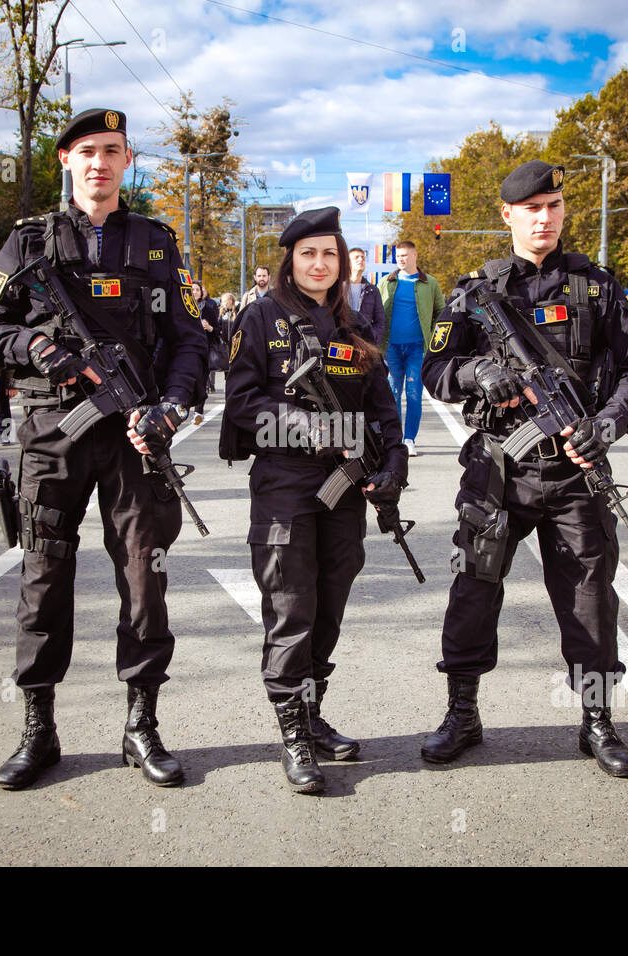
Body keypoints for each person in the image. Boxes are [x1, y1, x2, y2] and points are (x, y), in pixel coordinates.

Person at [0, 108, 207, 791]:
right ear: (66, 162)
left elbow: (189, 339)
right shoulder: (26, 244)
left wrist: (172, 405)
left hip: (137, 435)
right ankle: (38, 730)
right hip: (53, 433)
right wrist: (35, 349)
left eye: (112, 151)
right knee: (43, 577)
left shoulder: (156, 244)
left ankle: (141, 725)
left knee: (144, 578)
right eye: (87, 152)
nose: (100, 163)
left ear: (127, 161)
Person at [419, 160, 628, 776]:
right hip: (499, 468)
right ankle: (462, 714)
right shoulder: (475, 292)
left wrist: (608, 425)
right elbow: (435, 372)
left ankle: (597, 721)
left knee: (590, 599)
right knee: (473, 589)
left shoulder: (598, 287)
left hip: (575, 469)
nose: (544, 218)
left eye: (553, 206)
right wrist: (477, 373)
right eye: (532, 209)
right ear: (508, 216)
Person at [221, 206, 406, 793]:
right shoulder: (260, 319)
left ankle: (311, 707)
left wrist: (393, 464)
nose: (320, 264)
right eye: (308, 254)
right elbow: (242, 404)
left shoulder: (357, 327)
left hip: (345, 486)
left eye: (330, 254)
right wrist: (304, 424)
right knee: (291, 608)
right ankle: (293, 732)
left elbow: (382, 409)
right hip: (284, 482)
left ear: (342, 262)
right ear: (291, 260)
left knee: (329, 605)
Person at [378, 240, 446, 455]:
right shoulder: (385, 282)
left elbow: (441, 313)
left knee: (414, 393)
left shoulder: (430, 283)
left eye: (405, 255)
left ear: (415, 256)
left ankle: (410, 439)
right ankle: (396, 439)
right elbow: (377, 314)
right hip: (391, 347)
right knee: (393, 393)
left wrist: (435, 340)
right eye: (398, 256)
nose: (401, 259)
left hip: (418, 347)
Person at [192, 279, 221, 424]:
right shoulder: (184, 308)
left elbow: (217, 330)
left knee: (202, 380)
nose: (194, 292)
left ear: (202, 292)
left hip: (205, 348)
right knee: (190, 379)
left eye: (197, 289)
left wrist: (209, 327)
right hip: (189, 348)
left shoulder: (209, 308)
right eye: (192, 290)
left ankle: (198, 412)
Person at [347, 246, 385, 343]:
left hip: (365, 343)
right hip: (342, 342)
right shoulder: (337, 288)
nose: (361, 259)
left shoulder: (373, 290)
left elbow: (380, 321)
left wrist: (373, 338)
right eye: (356, 257)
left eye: (363, 257)